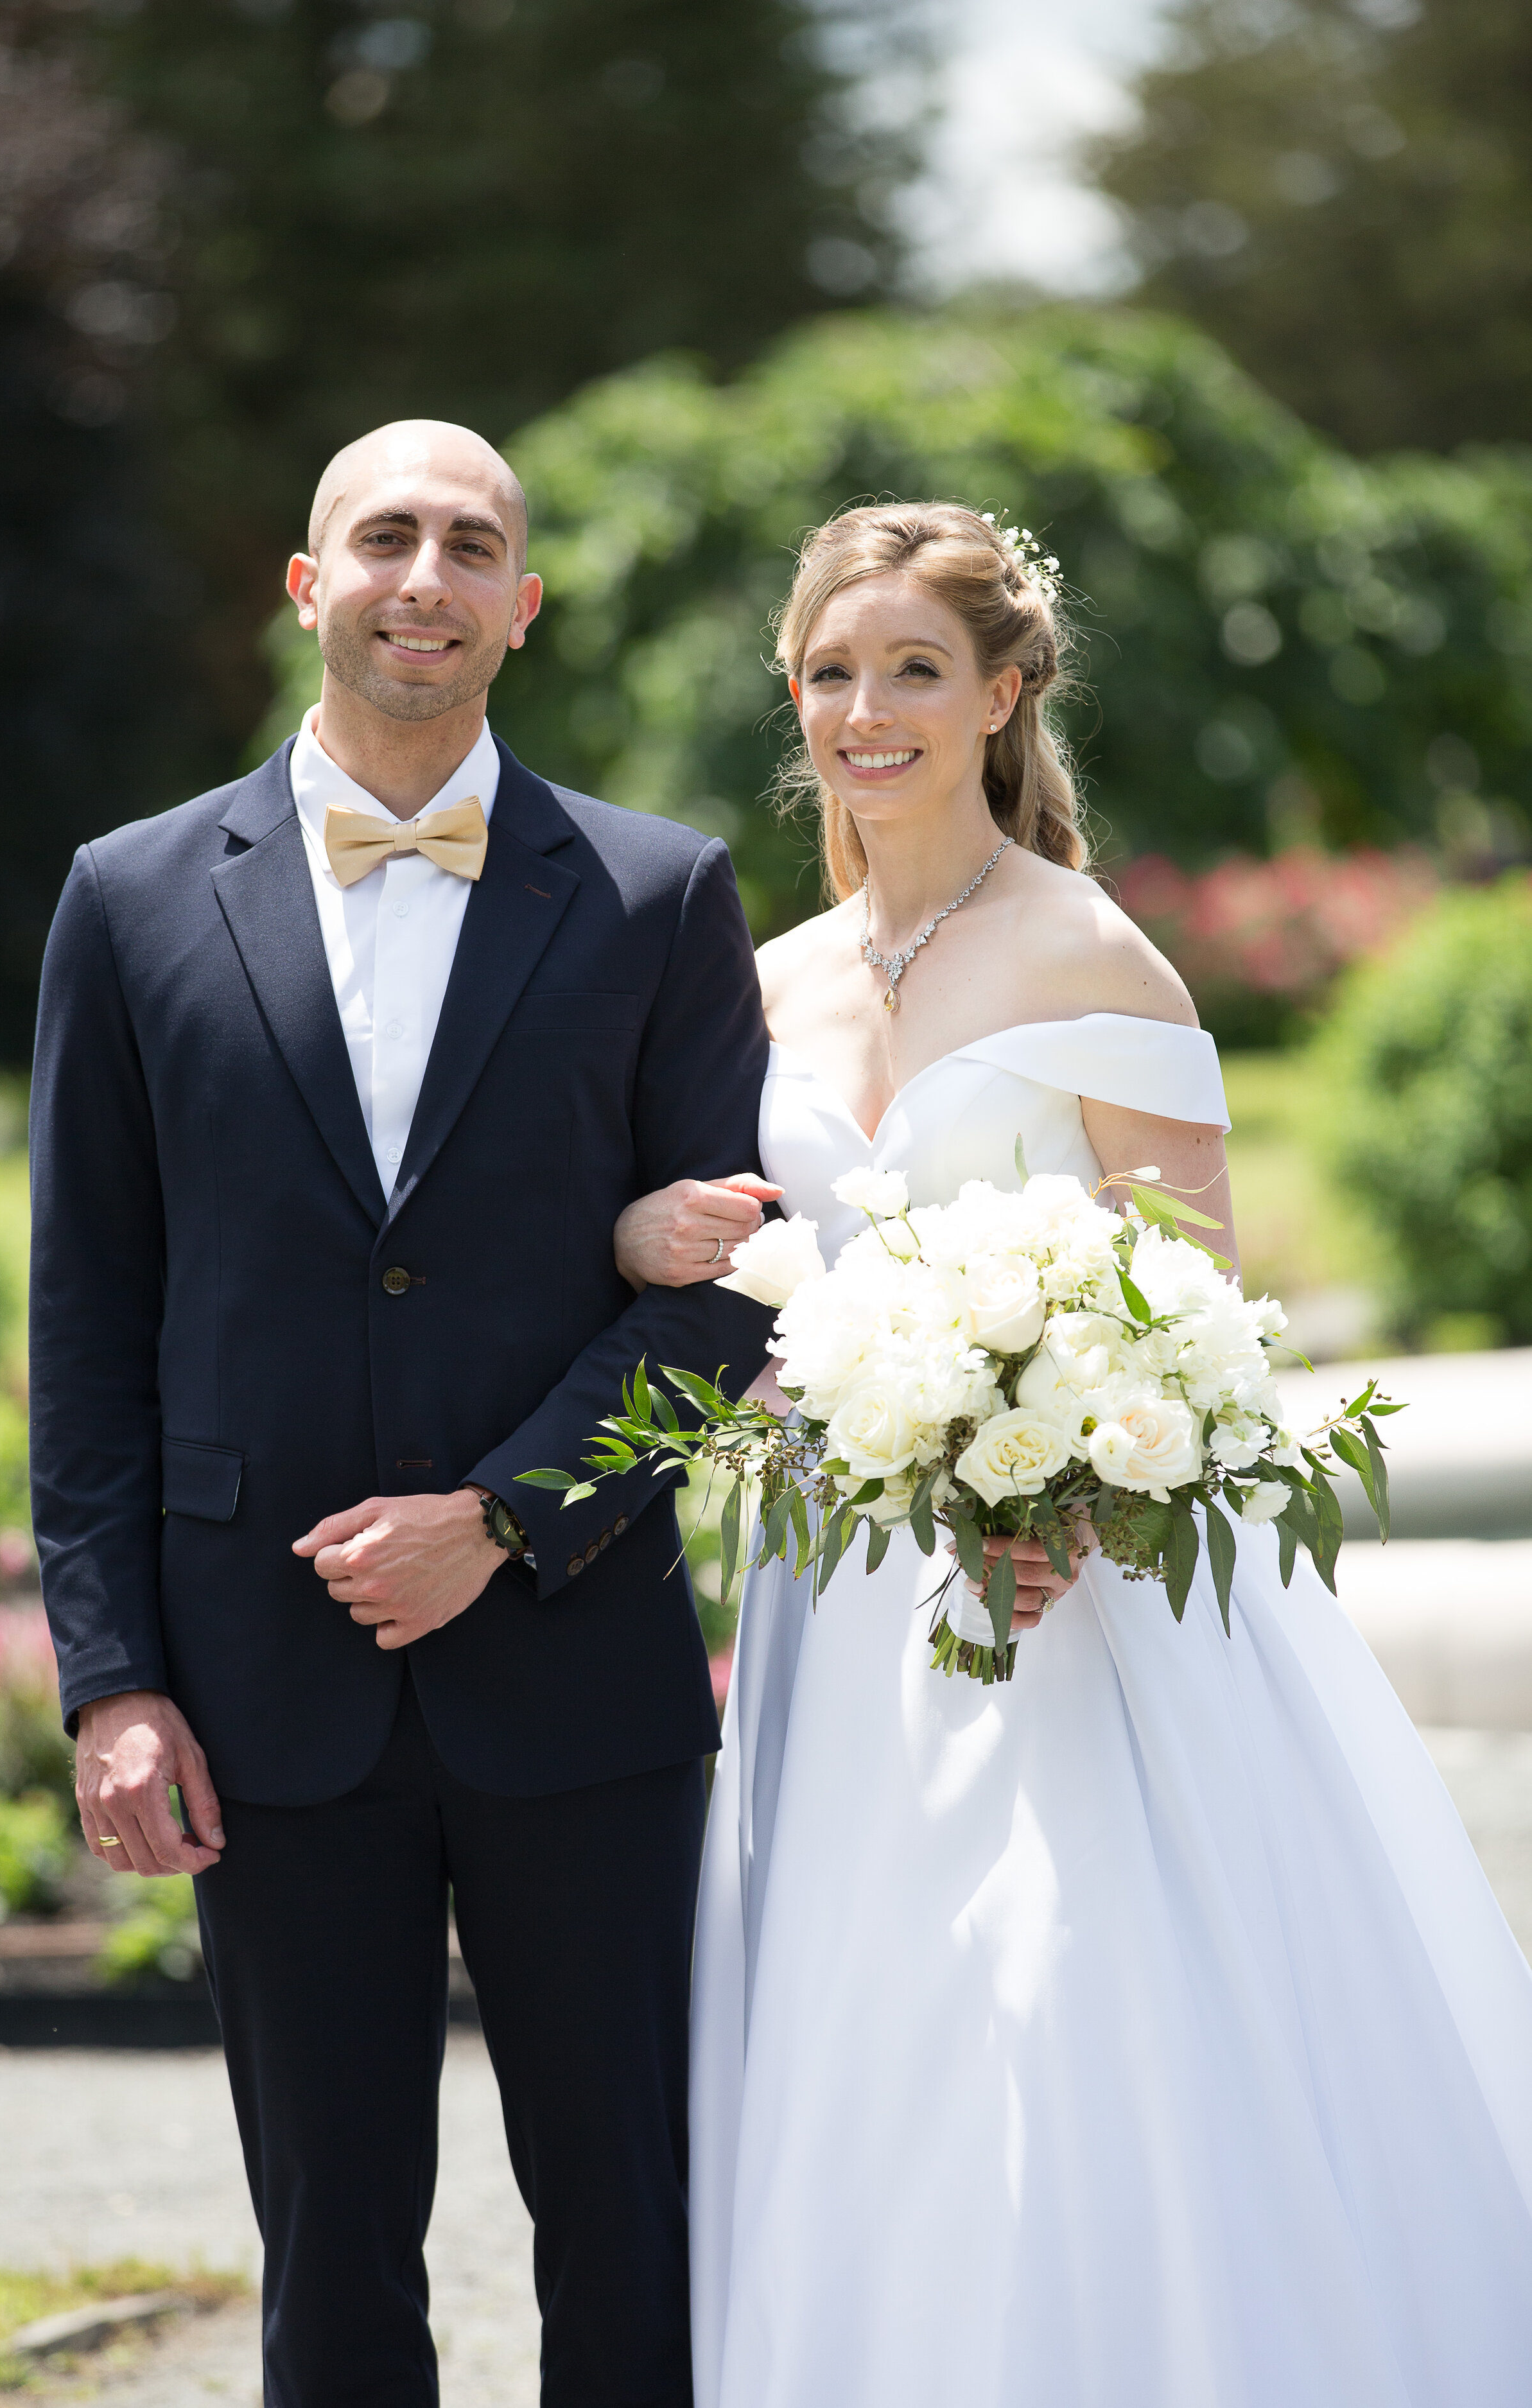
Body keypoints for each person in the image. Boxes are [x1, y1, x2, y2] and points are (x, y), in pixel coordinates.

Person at [614, 502, 1532, 2407]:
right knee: (863, 2028)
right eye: (832, 672)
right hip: (832, 1595)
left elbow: (1200, 1306)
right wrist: (645, 1245)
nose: (867, 710)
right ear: (796, 698)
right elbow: (713, 1257)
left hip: (1071, 1593)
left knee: (1051, 2007)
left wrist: (1068, 1505)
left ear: (1003, 692)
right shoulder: (753, 981)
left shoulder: (1093, 957)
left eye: (915, 671)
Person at [27, 418, 778, 2408]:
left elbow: (722, 1302)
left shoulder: (652, 891)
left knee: (632, 2244)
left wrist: (508, 1518)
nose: (423, 576)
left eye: (470, 546)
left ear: (521, 608)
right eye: (385, 538)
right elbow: (88, 1316)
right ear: (311, 584)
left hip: (579, 1675)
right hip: (258, 1690)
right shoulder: (123, 899)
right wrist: (112, 1681)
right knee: (331, 2269)